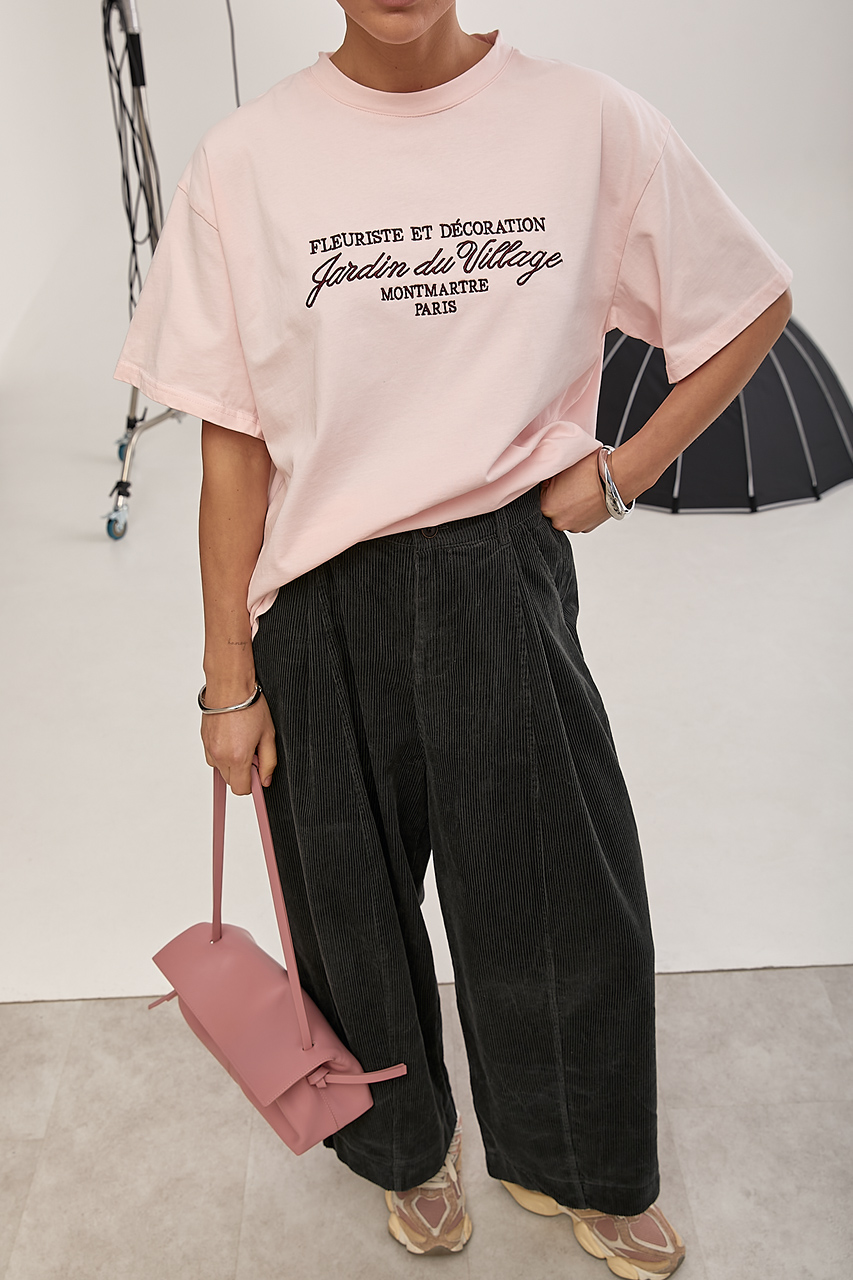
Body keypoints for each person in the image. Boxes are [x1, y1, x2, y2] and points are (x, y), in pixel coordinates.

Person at [114, 2, 793, 1274]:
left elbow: (746, 298)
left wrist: (626, 467)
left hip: (500, 566)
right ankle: (404, 1147)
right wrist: (225, 679)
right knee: (347, 907)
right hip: (318, 594)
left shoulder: (585, 120)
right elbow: (232, 445)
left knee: (563, 890)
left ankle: (576, 1155)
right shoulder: (245, 162)